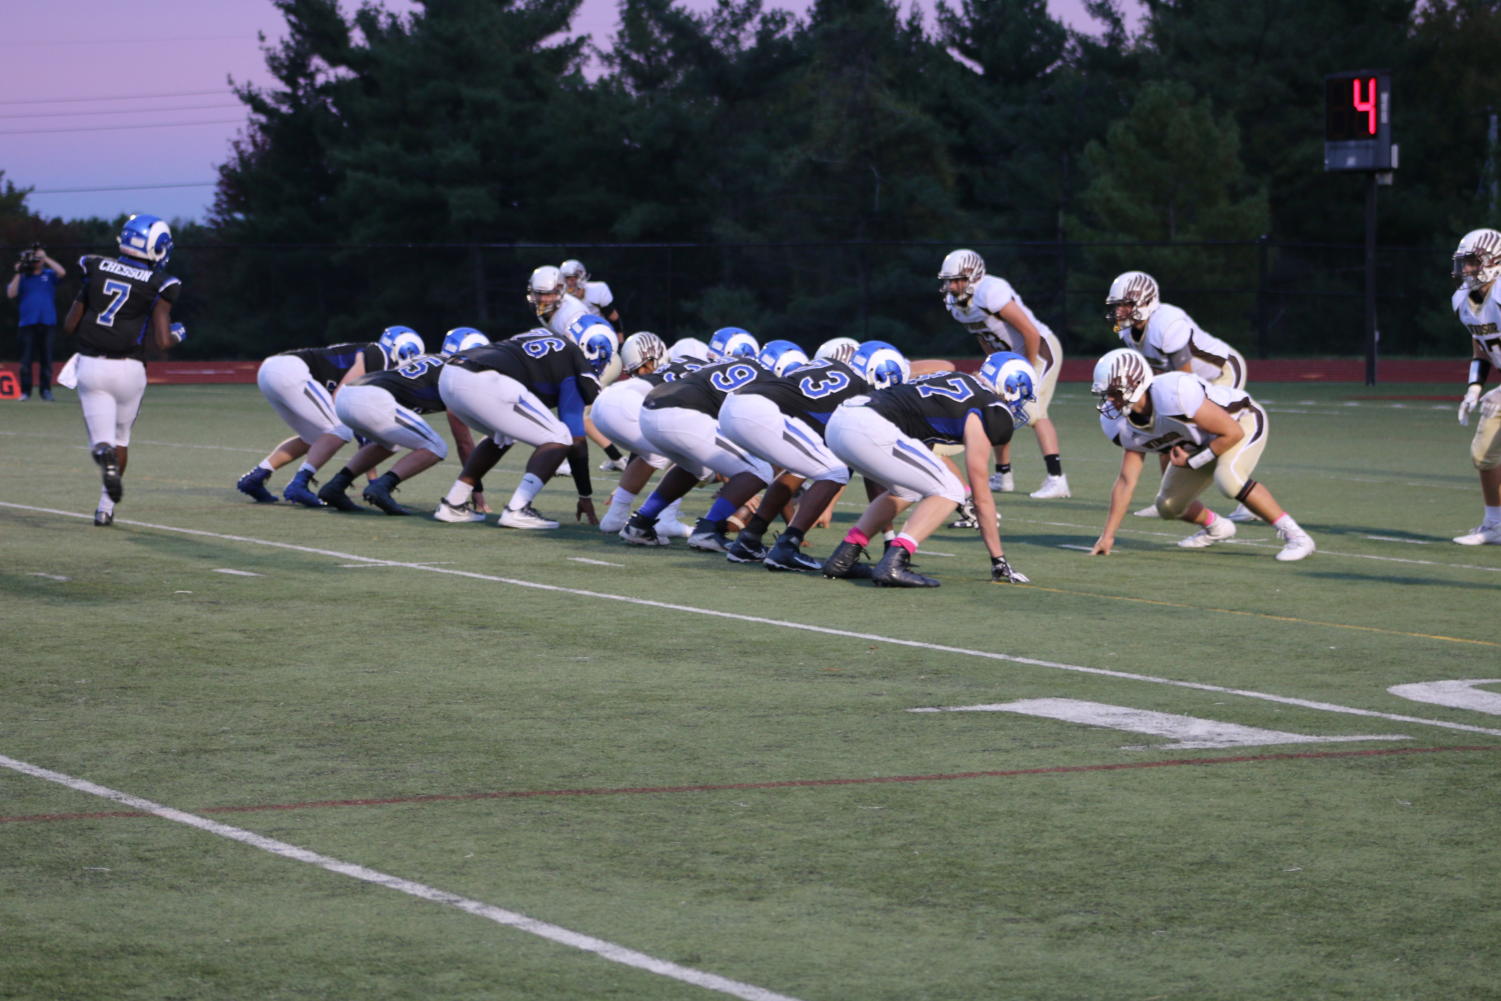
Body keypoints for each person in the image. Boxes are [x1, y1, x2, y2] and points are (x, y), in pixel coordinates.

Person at [818, 351, 1033, 587]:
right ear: (1011, 386)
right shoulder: (987, 406)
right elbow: (981, 497)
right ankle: (894, 563)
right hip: (870, 425)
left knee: (906, 490)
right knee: (950, 490)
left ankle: (844, 557)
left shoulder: (954, 380)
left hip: (842, 419)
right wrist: (998, 557)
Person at [1087, 348, 1315, 562]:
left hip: (1241, 421)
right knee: (1168, 505)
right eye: (1105, 394)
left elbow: (1232, 433)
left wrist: (1194, 461)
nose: (1109, 401)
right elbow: (1126, 481)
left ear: (1136, 383)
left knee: (1228, 479)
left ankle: (1296, 537)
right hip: (1200, 443)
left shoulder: (1173, 394)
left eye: (1113, 392)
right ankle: (1217, 528)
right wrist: (1108, 535)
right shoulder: (1119, 424)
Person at [60, 214, 186, 525]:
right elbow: (162, 341)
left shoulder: (94, 266)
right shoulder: (161, 283)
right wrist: (180, 333)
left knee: (102, 442)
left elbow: (70, 325)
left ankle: (103, 456)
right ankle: (106, 507)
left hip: (91, 365)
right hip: (131, 370)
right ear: (157, 248)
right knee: (122, 438)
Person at [1104, 270, 1257, 523]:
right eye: (1118, 304)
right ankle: (1171, 495)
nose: (1120, 311)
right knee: (1166, 435)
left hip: (1221, 372)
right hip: (1183, 379)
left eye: (1125, 304)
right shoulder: (1127, 330)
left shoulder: (1166, 324)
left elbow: (1185, 381)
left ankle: (1243, 492)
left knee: (1217, 435)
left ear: (1145, 301)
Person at [716, 339, 875, 571]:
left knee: (804, 467)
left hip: (734, 405)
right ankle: (787, 547)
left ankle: (749, 540)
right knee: (834, 472)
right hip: (758, 411)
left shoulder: (819, 371)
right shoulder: (859, 387)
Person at [431, 325, 606, 528]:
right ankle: (518, 509)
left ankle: (453, 503)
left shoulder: (542, 335)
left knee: (503, 435)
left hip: (450, 373)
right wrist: (585, 494)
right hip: (483, 379)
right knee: (560, 437)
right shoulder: (573, 358)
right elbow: (575, 439)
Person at [620, 331, 777, 550]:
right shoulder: (767, 380)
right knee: (760, 470)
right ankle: (708, 530)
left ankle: (640, 523)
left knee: (697, 466)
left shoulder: (721, 366)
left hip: (650, 409)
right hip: (681, 414)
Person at [235, 326, 425, 505]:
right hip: (289, 371)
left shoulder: (371, 353)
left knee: (316, 438)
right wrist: (373, 479)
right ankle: (299, 483)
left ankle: (257, 476)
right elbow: (341, 397)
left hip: (274, 370)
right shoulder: (379, 354)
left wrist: (372, 476)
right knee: (338, 429)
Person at [937, 248, 1070, 499]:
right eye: (948, 281)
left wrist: (1028, 370)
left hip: (1039, 349)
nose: (952, 286)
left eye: (957, 280)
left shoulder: (991, 292)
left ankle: (1057, 479)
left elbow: (1030, 331)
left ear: (974, 277)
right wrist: (991, 365)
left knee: (1033, 411)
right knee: (996, 407)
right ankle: (1003, 475)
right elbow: (983, 336)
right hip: (1008, 358)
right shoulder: (957, 305)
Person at [316, 349, 480, 515]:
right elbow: (464, 442)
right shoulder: (458, 376)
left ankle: (335, 486)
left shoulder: (430, 358)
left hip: (348, 395)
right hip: (371, 397)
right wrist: (476, 490)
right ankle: (382, 487)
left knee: (389, 444)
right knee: (436, 447)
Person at [590, 330, 701, 539]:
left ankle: (615, 517)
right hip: (624, 405)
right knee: (687, 451)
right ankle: (666, 518)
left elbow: (643, 448)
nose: (642, 372)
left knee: (657, 453)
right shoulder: (699, 373)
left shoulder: (682, 369)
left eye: (641, 368)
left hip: (605, 403)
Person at [1450, 227, 1501, 546]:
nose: (1466, 269)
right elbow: (1481, 344)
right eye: (1464, 262)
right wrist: (1474, 388)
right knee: (1484, 455)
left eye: (1473, 261)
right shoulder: (1462, 300)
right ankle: (1495, 524)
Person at [8, 241, 66, 401]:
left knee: (46, 360)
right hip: (27, 323)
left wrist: (45, 258)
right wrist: (19, 271)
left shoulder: (49, 274)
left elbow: (62, 272)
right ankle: (25, 391)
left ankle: (46, 391)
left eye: (37, 258)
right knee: (25, 361)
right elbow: (11, 293)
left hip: (47, 322)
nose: (35, 261)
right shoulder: (23, 278)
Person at [559, 258, 621, 330]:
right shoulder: (561, 299)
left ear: (582, 277)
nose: (570, 283)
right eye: (567, 279)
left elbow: (614, 318)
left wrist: (620, 341)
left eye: (573, 279)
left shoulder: (597, 290)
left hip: (600, 331)